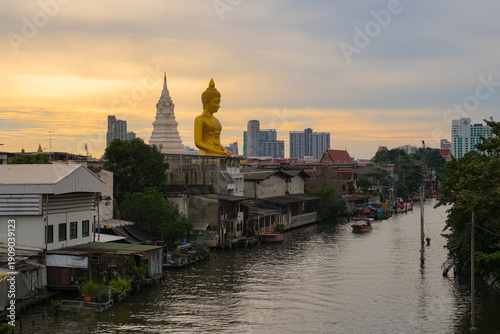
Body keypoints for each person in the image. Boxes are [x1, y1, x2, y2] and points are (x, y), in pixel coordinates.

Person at [194, 79, 232, 156]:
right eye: (215, 102)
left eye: (219, 103)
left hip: (217, 153)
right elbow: (198, 143)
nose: (218, 106)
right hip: (206, 154)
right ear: (206, 103)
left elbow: (217, 141)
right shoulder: (200, 119)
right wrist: (219, 152)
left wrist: (225, 150)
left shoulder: (216, 121)